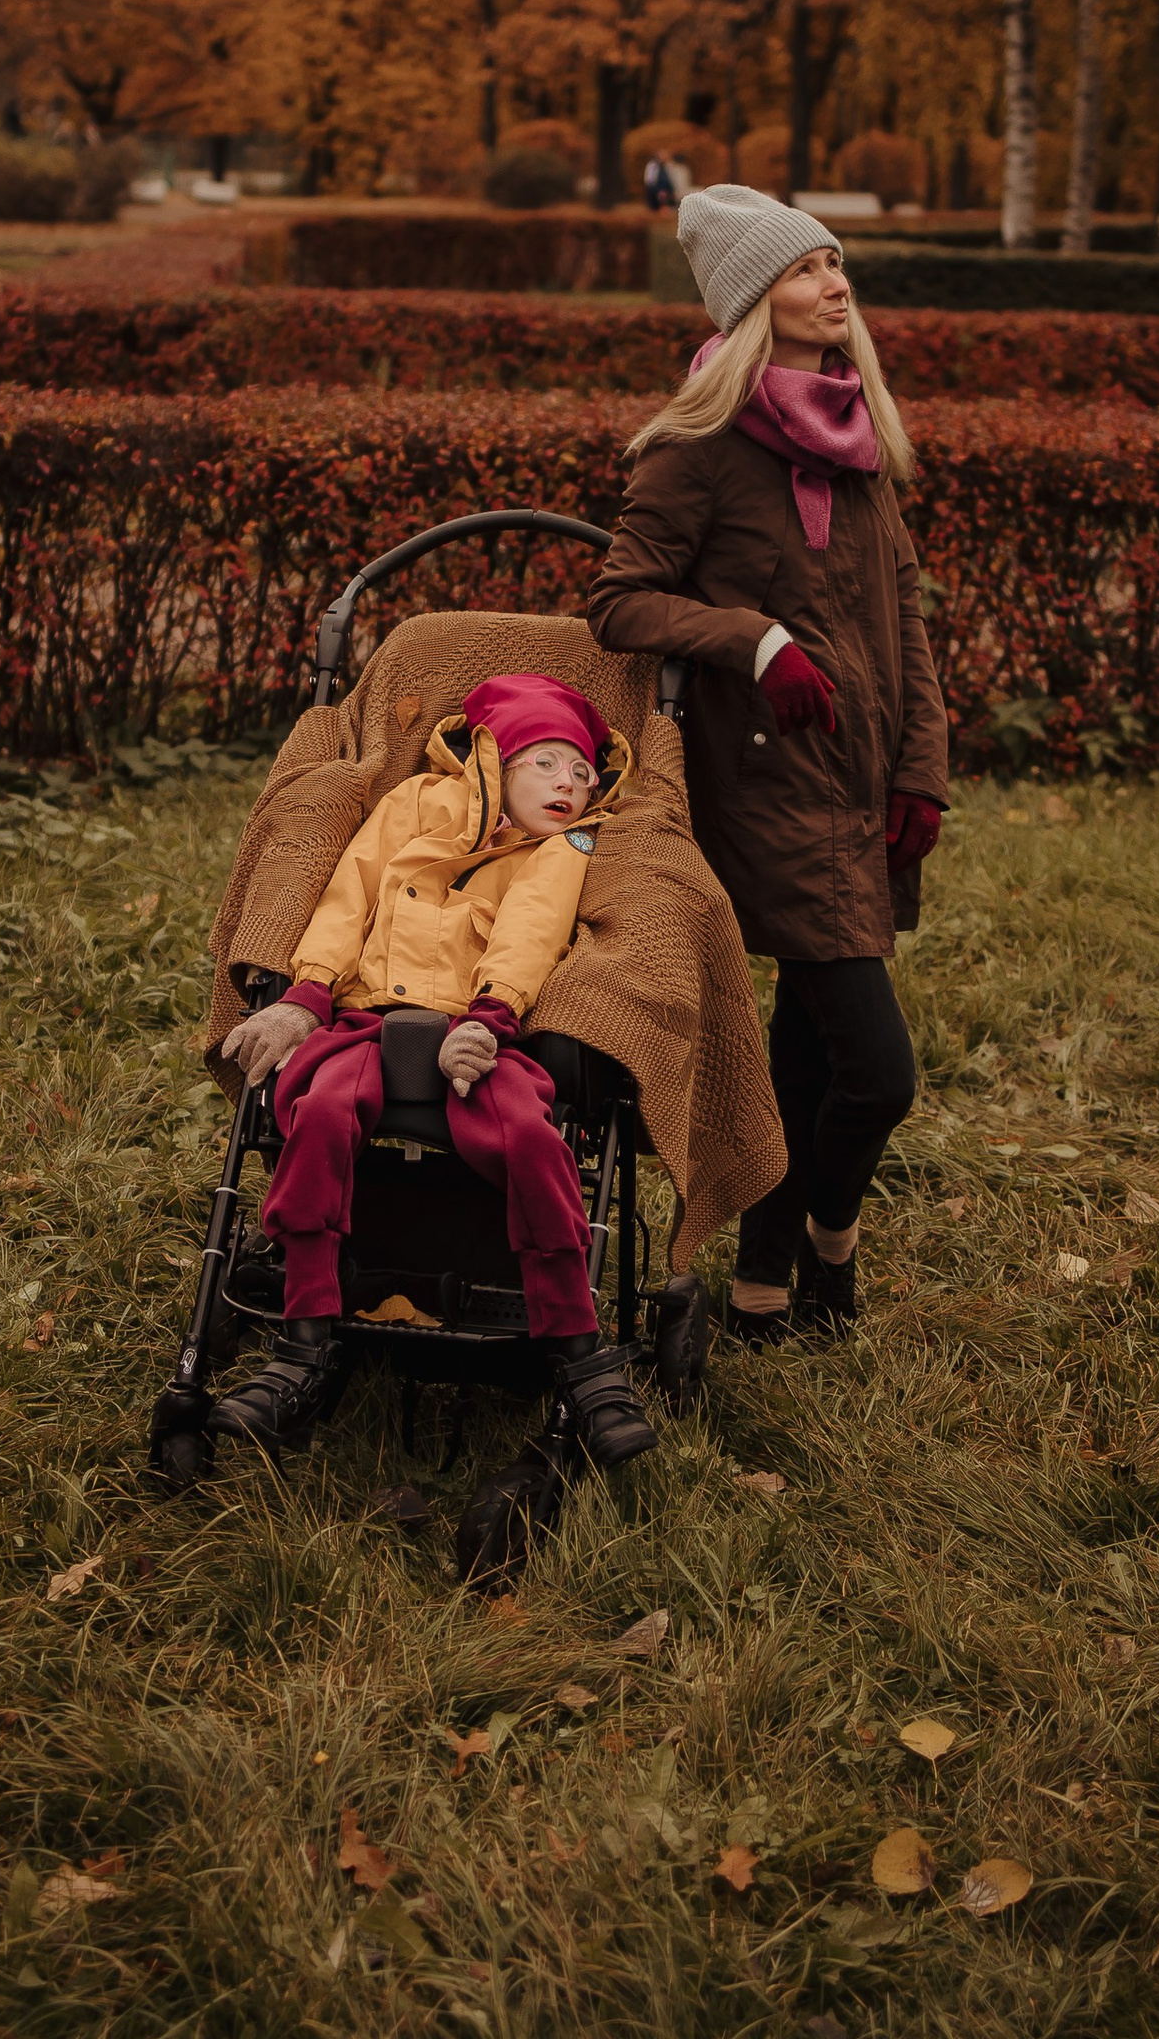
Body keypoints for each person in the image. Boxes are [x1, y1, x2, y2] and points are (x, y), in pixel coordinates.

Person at [587, 184, 948, 1344]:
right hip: (766, 786)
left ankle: (759, 1291)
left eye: (835, 262)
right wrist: (754, 638)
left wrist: (921, 768)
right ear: (754, 302)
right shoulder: (694, 451)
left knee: (803, 1053)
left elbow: (902, 608)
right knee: (877, 1074)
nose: (835, 284)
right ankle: (830, 1240)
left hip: (860, 778)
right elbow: (618, 602)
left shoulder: (856, 434)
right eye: (805, 270)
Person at [208, 672, 655, 1466]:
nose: (568, 784)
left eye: (584, 773)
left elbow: (533, 928)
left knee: (531, 1137)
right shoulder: (415, 802)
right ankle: (303, 1341)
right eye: (548, 764)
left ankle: (579, 1352)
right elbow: (350, 893)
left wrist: (489, 1018)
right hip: (364, 1013)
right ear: (498, 761)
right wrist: (306, 997)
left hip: (480, 1028)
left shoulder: (570, 844)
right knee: (318, 1114)